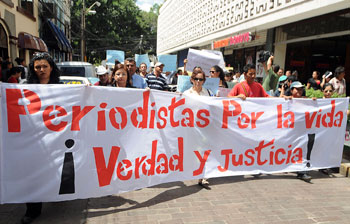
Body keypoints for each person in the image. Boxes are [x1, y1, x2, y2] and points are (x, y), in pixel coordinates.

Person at [21, 52, 61, 224]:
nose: (42, 70)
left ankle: (58, 197)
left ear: (51, 68)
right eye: (38, 67)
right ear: (33, 69)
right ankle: (32, 210)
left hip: (55, 139)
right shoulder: (23, 87)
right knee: (33, 175)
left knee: (57, 171)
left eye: (45, 66)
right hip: (33, 140)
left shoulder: (62, 88)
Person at [183, 70, 213, 187]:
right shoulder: (187, 93)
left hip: (205, 128)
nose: (198, 82)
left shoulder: (209, 93)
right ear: (192, 80)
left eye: (201, 79)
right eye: (196, 79)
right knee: (193, 152)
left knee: (204, 151)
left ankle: (203, 177)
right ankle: (193, 172)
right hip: (191, 127)